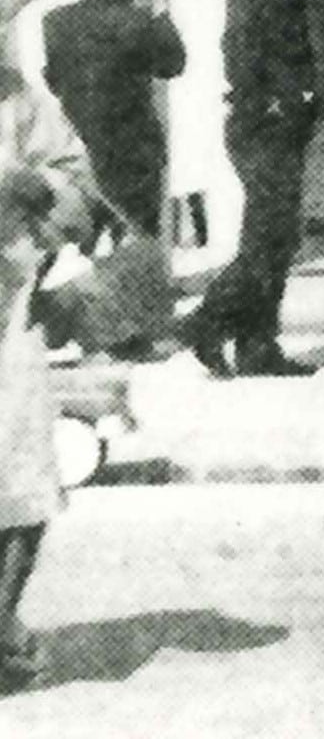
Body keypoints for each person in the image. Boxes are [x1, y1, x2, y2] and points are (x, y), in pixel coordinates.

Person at [180, 0, 324, 380]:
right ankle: (205, 323)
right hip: (263, 124)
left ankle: (257, 346)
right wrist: (279, 102)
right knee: (268, 238)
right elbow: (238, 50)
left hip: (279, 123)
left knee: (276, 238)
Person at [41, 0, 188, 359]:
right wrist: (156, 5)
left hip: (78, 147)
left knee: (80, 240)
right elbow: (175, 62)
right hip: (132, 150)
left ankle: (59, 324)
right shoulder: (135, 22)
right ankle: (125, 336)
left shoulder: (55, 22)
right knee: (134, 242)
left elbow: (54, 78)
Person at [3, 62, 99, 694]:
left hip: (9, 321)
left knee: (21, 478)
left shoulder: (20, 102)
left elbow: (79, 193)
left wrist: (29, 188)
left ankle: (1, 618)